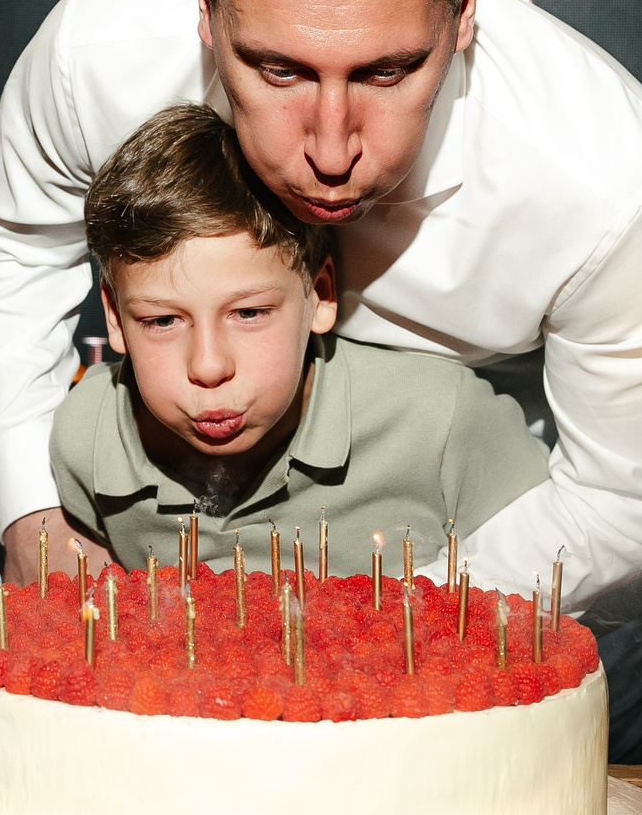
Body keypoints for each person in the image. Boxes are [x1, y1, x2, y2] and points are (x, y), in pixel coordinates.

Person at [0, 0, 642, 613]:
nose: (330, 147)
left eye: (388, 71)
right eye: (277, 68)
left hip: (479, 548)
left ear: (463, 9)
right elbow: (14, 243)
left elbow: (637, 496)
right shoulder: (97, 55)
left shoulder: (605, 179)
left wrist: (381, 631)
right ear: (207, 13)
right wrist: (30, 506)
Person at [52, 102, 548, 570]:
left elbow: (551, 585)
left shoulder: (443, 421)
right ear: (114, 317)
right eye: (162, 321)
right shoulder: (88, 438)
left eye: (248, 312)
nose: (207, 366)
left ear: (321, 294)